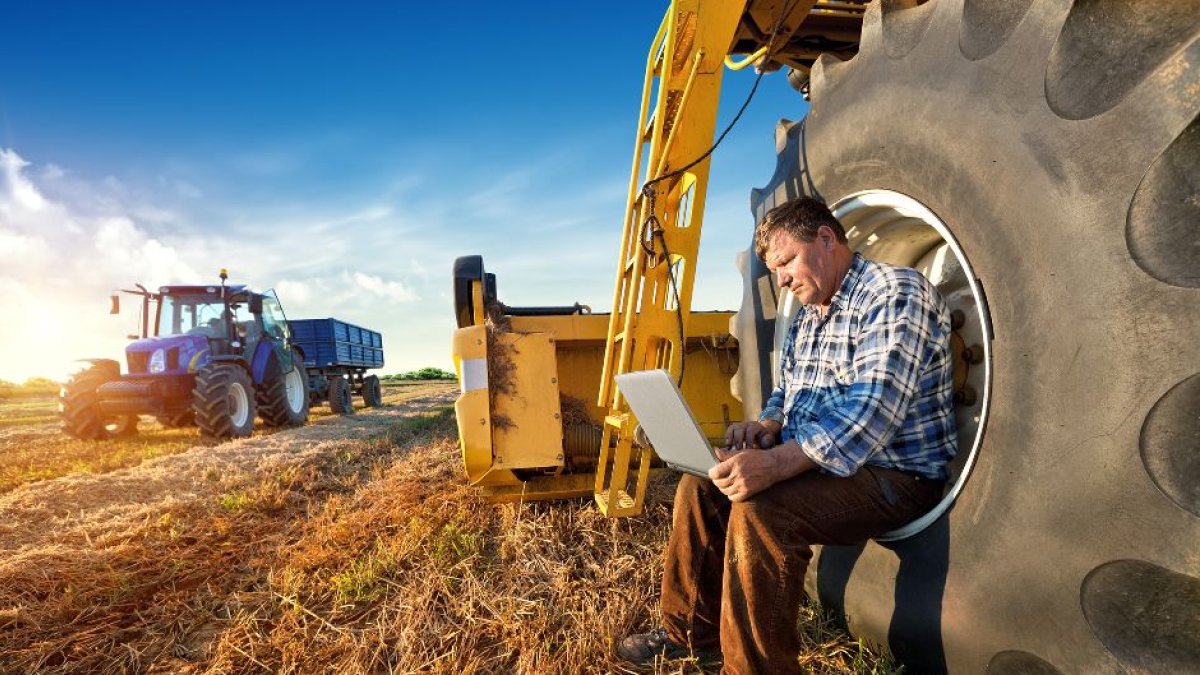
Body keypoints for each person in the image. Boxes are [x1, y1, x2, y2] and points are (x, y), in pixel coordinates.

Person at [617, 197, 958, 674]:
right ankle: (689, 635)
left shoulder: (894, 292)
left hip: (893, 475)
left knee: (761, 511)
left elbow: (872, 413)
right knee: (702, 486)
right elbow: (790, 389)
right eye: (774, 269)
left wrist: (775, 464)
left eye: (786, 261)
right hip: (830, 467)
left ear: (825, 239)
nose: (781, 279)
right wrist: (767, 426)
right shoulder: (811, 312)